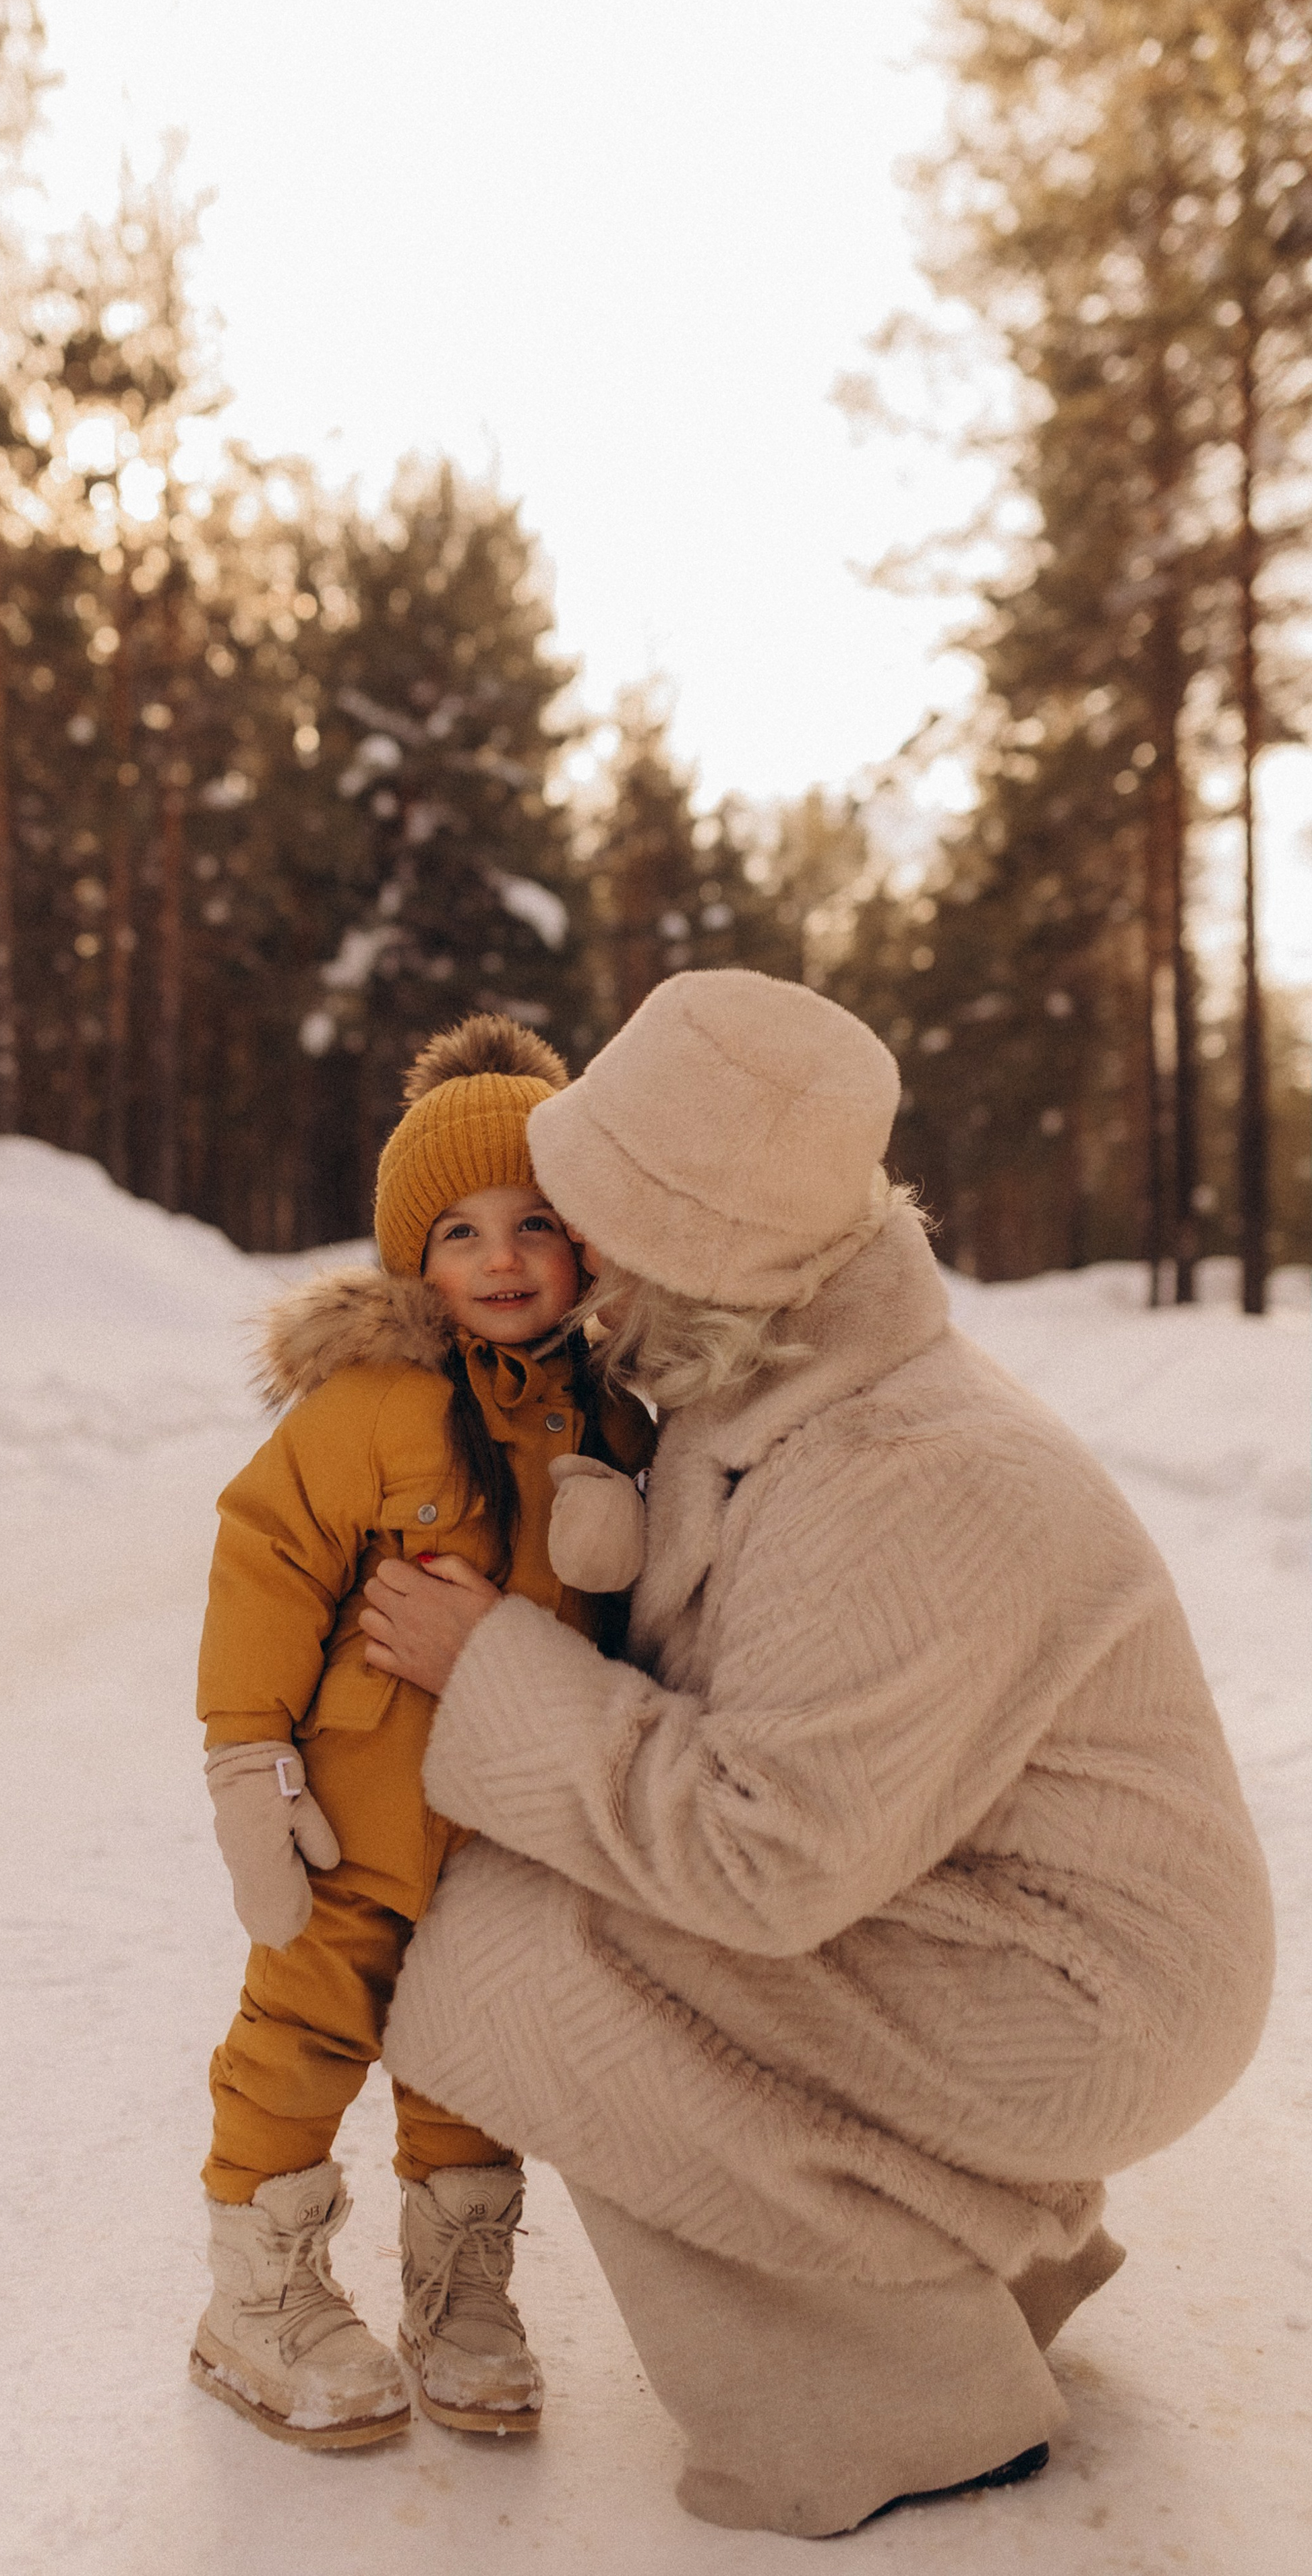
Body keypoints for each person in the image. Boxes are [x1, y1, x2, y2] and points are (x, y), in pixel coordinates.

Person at [362, 967, 1276, 2537]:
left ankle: (894, 2405)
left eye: (597, 1221)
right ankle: (973, 2271)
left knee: (519, 1957)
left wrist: (488, 1669)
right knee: (553, 1898)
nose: (568, 1267)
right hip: (997, 1924)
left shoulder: (901, 1471)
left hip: (1082, 1999)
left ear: (696, 1247)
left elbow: (758, 1856)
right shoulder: (784, 1385)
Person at [191, 1015, 655, 2453]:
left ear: (587, 1243)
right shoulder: (372, 1401)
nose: (501, 1258)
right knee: (302, 2032)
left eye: (535, 1223)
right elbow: (264, 1554)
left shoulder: (614, 1418)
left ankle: (459, 2293)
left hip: (510, 1820)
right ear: (413, 1258)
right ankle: (255, 2300)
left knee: (470, 2047)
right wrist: (246, 1761)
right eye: (458, 1232)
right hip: (352, 1815)